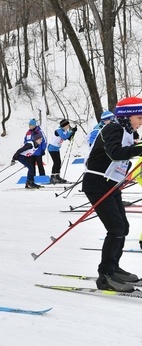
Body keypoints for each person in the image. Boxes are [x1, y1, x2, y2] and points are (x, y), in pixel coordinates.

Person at [82, 96, 142, 293]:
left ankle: (114, 268)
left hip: (111, 184)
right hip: (97, 183)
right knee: (115, 228)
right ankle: (105, 275)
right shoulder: (113, 128)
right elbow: (115, 152)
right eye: (139, 117)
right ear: (127, 116)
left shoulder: (125, 130)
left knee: (123, 226)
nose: (141, 122)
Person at [49, 119, 77, 184]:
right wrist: (71, 132)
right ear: (64, 125)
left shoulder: (65, 131)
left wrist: (73, 132)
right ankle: (53, 177)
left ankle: (57, 176)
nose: (68, 126)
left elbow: (68, 138)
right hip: (52, 148)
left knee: (58, 162)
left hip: (56, 148)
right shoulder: (58, 130)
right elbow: (64, 137)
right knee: (56, 162)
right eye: (67, 125)